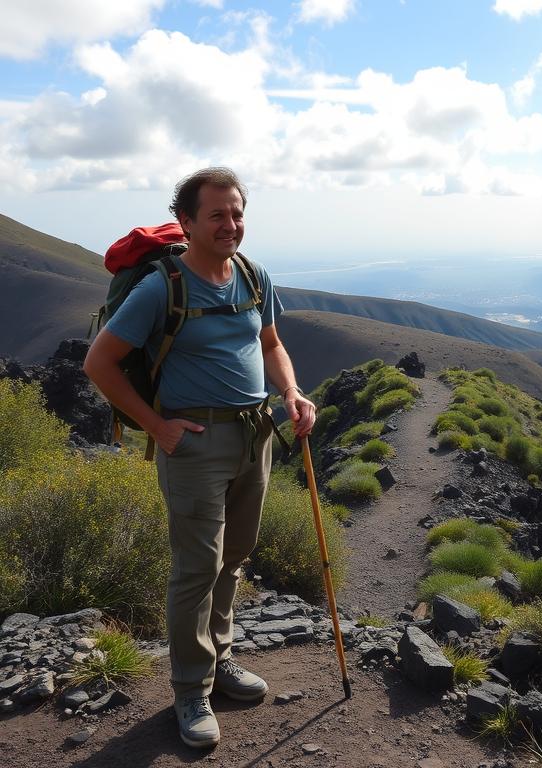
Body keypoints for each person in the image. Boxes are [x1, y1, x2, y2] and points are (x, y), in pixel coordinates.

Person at [84, 167, 316, 749]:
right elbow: (99, 363)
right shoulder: (162, 287)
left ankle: (221, 660)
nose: (230, 225)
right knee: (196, 568)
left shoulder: (252, 275)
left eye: (236, 213)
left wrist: (290, 392)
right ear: (186, 223)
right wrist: (157, 426)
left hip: (255, 433)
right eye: (216, 215)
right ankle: (191, 688)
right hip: (193, 443)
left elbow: (270, 344)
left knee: (234, 556)